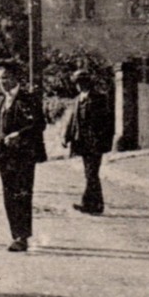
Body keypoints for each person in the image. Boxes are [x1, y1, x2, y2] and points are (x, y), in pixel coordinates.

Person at [0, 62, 49, 252]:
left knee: (22, 193)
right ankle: (15, 234)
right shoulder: (0, 101)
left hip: (24, 154)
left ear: (15, 77)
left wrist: (19, 135)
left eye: (5, 78)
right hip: (4, 154)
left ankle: (22, 236)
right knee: (8, 194)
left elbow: (39, 124)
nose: (2, 83)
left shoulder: (28, 99)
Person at [63, 69, 114, 215]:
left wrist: (103, 139)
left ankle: (91, 205)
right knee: (90, 173)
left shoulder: (99, 99)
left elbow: (107, 122)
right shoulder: (78, 99)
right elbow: (73, 121)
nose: (78, 85)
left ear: (87, 83)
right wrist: (66, 137)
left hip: (95, 142)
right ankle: (94, 205)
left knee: (91, 173)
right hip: (82, 142)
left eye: (80, 82)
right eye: (77, 83)